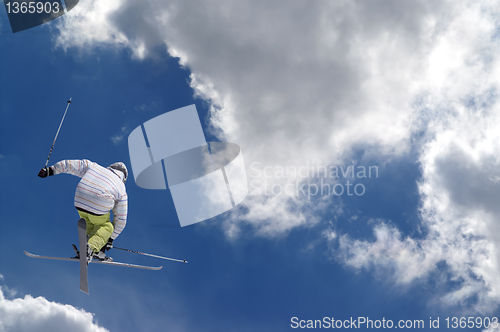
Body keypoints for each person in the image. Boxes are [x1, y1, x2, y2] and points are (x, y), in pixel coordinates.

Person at [38, 160, 128, 264]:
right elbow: (121, 219)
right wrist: (110, 238)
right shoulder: (121, 187)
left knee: (91, 224)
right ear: (123, 177)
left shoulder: (95, 167)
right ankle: (90, 249)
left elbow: (70, 165)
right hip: (99, 202)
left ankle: (93, 250)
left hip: (80, 199)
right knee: (107, 227)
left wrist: (51, 170)